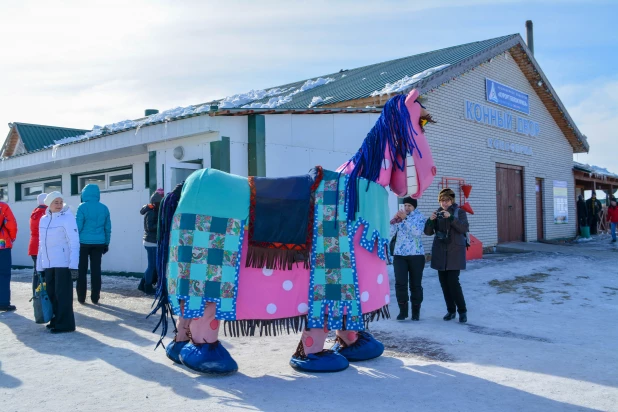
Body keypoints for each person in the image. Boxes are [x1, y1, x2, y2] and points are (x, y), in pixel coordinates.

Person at [424, 188, 469, 323]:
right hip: (440, 252)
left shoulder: (459, 212)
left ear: (452, 200)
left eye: (447, 200)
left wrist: (450, 218)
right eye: (442, 200)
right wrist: (430, 221)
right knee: (444, 284)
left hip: (454, 252)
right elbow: (428, 232)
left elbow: (463, 228)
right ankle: (450, 310)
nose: (444, 203)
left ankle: (462, 311)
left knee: (453, 283)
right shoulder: (437, 213)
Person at [37, 192, 79, 333]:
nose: (59, 205)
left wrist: (74, 265)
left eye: (61, 202)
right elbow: (41, 244)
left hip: (63, 263)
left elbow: (74, 242)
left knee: (63, 295)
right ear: (49, 203)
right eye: (56, 202)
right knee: (51, 293)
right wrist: (40, 265)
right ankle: (55, 320)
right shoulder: (43, 219)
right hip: (49, 264)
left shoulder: (67, 218)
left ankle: (66, 324)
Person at [390, 196, 426, 321]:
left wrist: (406, 220)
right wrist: (394, 221)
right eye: (405, 205)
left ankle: (416, 312)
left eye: (409, 206)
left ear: (414, 206)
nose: (406, 208)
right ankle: (403, 311)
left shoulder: (420, 217)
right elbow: (390, 233)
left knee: (415, 285)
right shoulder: (401, 217)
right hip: (399, 254)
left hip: (416, 255)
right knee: (400, 284)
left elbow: (417, 232)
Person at [76, 184, 111, 304]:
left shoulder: (82, 207)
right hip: (99, 243)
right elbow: (107, 228)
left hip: (83, 243)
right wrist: (106, 243)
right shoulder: (104, 208)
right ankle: (95, 297)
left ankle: (81, 297)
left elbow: (78, 227)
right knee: (96, 270)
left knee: (82, 270)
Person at [139, 190, 163, 295]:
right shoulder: (151, 212)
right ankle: (147, 286)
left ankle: (142, 284)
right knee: (152, 266)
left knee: (153, 265)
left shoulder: (154, 210)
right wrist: (161, 226)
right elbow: (149, 227)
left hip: (152, 241)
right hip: (151, 242)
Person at [0, 200, 18, 312]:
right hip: (1, 241)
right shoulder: (2, 206)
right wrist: (11, 238)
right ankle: (3, 302)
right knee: (3, 273)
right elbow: (11, 223)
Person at [29, 193, 48, 294]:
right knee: (44, 273)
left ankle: (35, 294)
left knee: (36, 272)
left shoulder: (34, 212)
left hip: (33, 246)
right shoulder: (46, 213)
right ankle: (42, 295)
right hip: (42, 246)